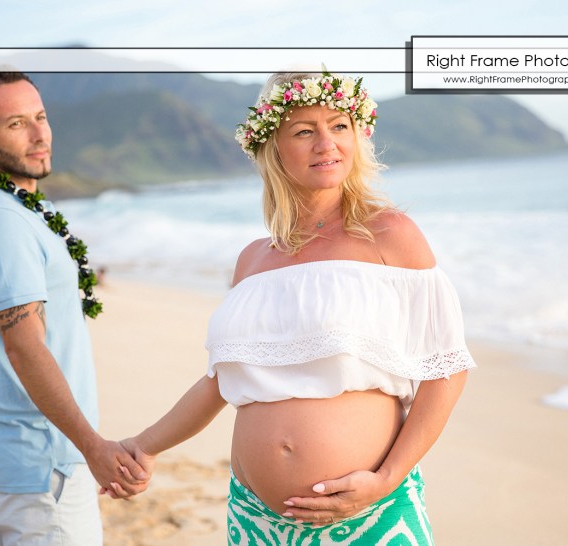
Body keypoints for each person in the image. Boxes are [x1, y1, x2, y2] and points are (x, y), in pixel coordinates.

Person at [119, 70, 476, 544]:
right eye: (305, 131)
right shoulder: (252, 260)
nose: (326, 143)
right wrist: (143, 446)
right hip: (254, 517)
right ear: (273, 148)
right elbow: (221, 380)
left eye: (339, 126)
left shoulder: (390, 235)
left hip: (367, 513)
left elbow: (446, 369)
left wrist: (385, 480)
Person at [0, 71, 151, 545]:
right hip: (43, 462)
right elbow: (24, 348)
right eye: (17, 123)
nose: (40, 135)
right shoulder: (2, 223)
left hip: (41, 452)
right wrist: (93, 447)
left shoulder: (17, 208)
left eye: (41, 118)